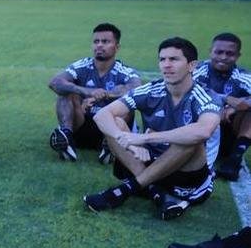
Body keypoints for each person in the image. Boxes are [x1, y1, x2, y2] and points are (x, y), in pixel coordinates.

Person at [85, 37, 220, 220]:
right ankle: (155, 190)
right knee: (115, 122)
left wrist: (146, 138)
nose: (166, 65)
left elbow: (204, 130)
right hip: (147, 161)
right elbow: (102, 115)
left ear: (192, 65)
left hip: (186, 173)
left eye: (174, 59)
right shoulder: (151, 90)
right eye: (162, 59)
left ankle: (125, 190)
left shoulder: (205, 96)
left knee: (190, 139)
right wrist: (128, 142)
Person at [48, 23, 141, 163]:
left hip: (109, 129)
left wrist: (106, 94)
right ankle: (67, 139)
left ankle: (110, 146)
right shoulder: (82, 65)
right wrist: (87, 92)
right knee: (66, 92)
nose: (99, 45)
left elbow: (136, 88)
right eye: (96, 41)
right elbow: (55, 82)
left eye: (105, 41)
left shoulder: (125, 71)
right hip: (81, 125)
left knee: (126, 101)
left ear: (117, 47)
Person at [193, 33, 251, 180]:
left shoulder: (242, 76)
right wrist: (224, 100)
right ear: (210, 52)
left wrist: (237, 107)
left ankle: (234, 159)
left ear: (238, 56)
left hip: (228, 135)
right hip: (200, 133)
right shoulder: (197, 71)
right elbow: (186, 91)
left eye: (230, 53)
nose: (223, 57)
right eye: (219, 52)